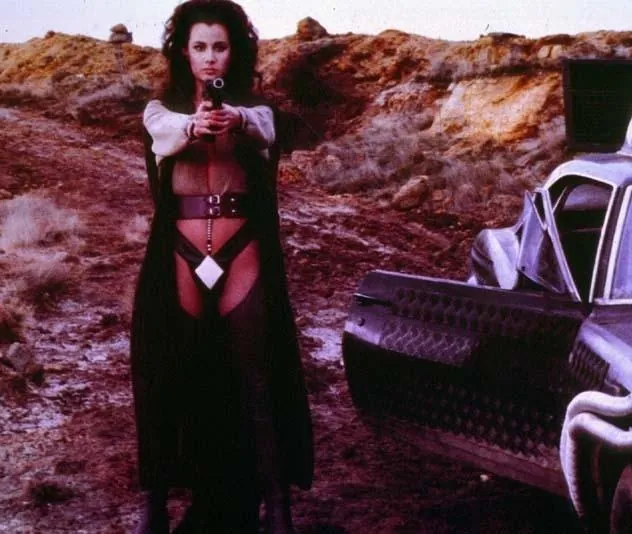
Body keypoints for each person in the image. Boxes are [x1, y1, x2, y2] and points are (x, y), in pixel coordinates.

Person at [129, 1, 314, 532]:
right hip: (181, 252)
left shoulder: (255, 111)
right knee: (168, 372)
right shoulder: (160, 110)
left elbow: (266, 129)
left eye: (220, 46)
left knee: (257, 375)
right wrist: (194, 126)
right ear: (184, 53)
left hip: (241, 250)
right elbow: (164, 133)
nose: (210, 57)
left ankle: (277, 506)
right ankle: (155, 506)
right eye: (200, 47)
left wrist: (236, 119)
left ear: (234, 52)